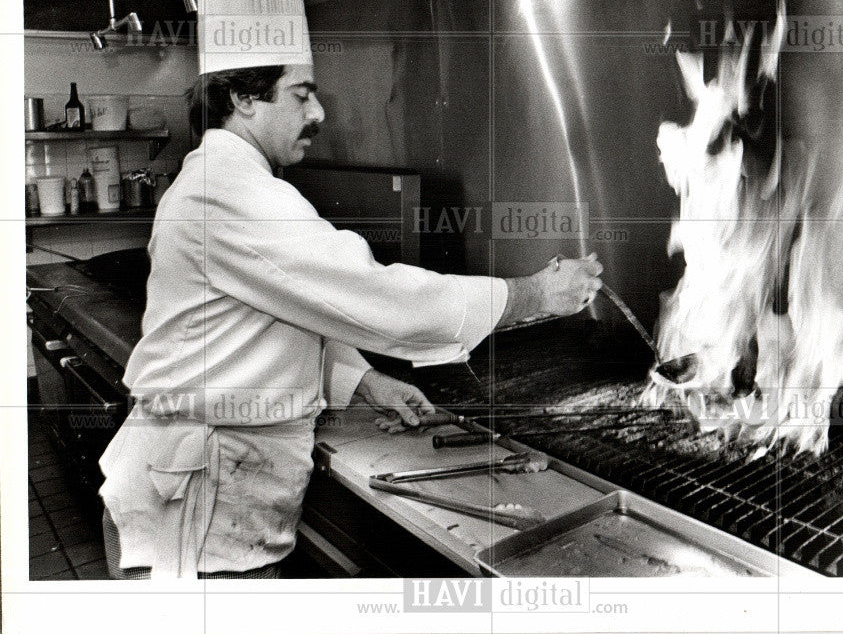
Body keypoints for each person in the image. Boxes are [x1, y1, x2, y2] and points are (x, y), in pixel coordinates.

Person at [97, 60, 604, 579]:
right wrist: (535, 293)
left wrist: (366, 380)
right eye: (301, 95)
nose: (317, 113)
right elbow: (383, 299)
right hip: (198, 512)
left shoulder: (223, 180)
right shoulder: (228, 192)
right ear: (243, 100)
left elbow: (284, 312)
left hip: (208, 494)